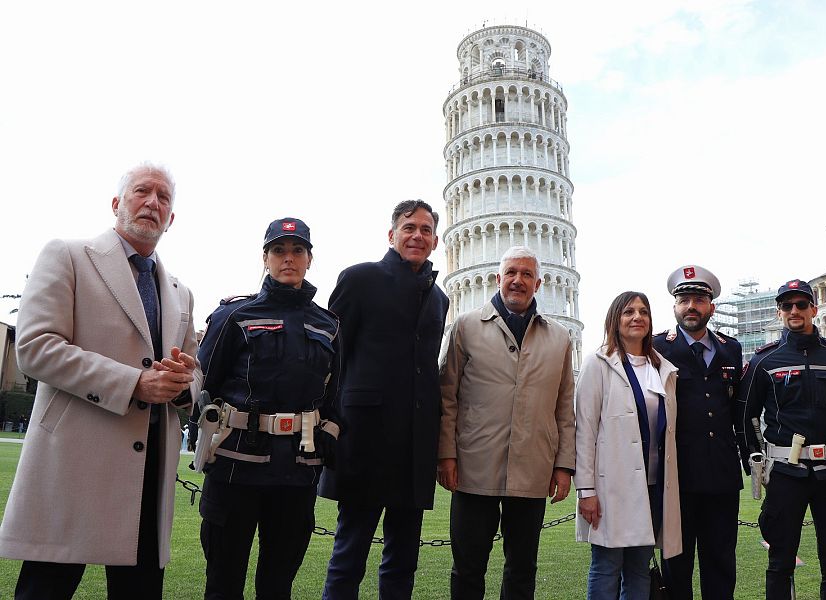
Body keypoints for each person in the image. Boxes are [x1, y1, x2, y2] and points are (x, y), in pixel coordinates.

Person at [0, 163, 201, 600]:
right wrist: (134, 383)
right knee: (46, 590)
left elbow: (194, 371)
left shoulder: (181, 292)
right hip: (74, 460)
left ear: (171, 218)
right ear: (116, 203)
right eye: (142, 191)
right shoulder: (67, 255)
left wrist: (184, 384)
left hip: (150, 469)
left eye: (164, 197)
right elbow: (35, 347)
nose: (152, 202)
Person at [195, 218, 341, 599]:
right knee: (223, 585)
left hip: (296, 473)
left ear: (309, 259)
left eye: (297, 250)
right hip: (234, 468)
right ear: (265, 258)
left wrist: (331, 429)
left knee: (277, 587)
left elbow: (334, 395)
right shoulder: (233, 316)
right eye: (279, 250)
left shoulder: (327, 325)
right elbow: (203, 384)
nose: (288, 258)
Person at [319, 200, 449, 599]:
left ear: (435, 241)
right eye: (409, 227)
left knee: (403, 560)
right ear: (392, 235)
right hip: (364, 438)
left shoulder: (439, 298)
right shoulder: (359, 279)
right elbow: (331, 356)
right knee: (349, 555)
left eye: (426, 230)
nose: (417, 235)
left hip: (415, 445)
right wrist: (329, 421)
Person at [437, 246, 576, 599]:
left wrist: (563, 466)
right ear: (498, 278)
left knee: (522, 568)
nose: (518, 280)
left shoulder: (559, 338)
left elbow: (564, 408)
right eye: (511, 272)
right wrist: (446, 455)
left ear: (538, 284)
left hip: (533, 467)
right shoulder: (466, 327)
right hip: (474, 468)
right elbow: (448, 397)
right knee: (468, 567)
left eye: (527, 274)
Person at [739, 279, 826, 600]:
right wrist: (755, 461)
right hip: (785, 475)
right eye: (787, 305)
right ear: (779, 312)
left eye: (801, 304)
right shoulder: (764, 361)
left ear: (814, 309)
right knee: (779, 564)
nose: (794, 310)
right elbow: (744, 415)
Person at [575, 291, 682, 599]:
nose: (637, 317)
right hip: (611, 486)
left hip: (653, 486)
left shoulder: (662, 369)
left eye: (643, 312)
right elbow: (584, 431)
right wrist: (586, 490)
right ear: (615, 319)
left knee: (638, 569)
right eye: (629, 312)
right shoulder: (598, 364)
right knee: (606, 566)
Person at [653, 266, 743, 600]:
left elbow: (737, 408)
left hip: (721, 474)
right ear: (675, 307)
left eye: (699, 300)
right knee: (676, 565)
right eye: (685, 300)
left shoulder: (730, 349)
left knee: (721, 562)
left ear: (711, 307)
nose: (691, 306)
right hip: (677, 476)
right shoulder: (658, 348)